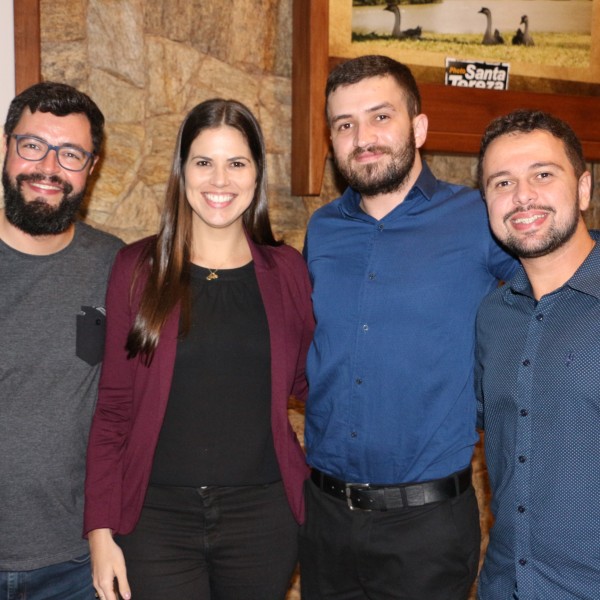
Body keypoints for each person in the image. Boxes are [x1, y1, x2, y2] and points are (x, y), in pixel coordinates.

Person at [300, 54, 517, 599]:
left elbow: (551, 286)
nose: (362, 137)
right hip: (325, 519)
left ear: (418, 127)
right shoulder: (322, 230)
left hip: (428, 530)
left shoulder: (476, 218)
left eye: (380, 117)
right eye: (345, 125)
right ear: (331, 141)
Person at [84, 98, 314, 600]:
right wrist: (100, 532)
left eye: (237, 163)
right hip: (155, 522)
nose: (220, 180)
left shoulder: (288, 272)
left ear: (256, 175)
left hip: (264, 521)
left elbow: (312, 382)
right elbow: (114, 410)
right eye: (203, 162)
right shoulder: (135, 268)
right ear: (181, 171)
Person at [0, 82, 123, 597]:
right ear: (5, 147)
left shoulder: (117, 266)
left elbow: (128, 411)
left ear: (90, 169)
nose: (48, 167)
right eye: (32, 145)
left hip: (75, 565)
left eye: (70, 153)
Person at [475, 109, 599, 600]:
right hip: (506, 586)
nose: (522, 196)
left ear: (584, 189)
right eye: (502, 183)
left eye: (543, 175)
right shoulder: (492, 316)